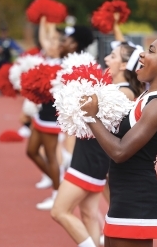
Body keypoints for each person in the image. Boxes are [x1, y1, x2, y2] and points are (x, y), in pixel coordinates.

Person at [80, 34, 157, 247]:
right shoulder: (145, 97)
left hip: (137, 200)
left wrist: (91, 117)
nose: (141, 53)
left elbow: (120, 152)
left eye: (151, 51)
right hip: (122, 197)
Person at [51, 19, 144, 247]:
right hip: (88, 155)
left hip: (92, 159)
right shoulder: (113, 85)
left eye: (112, 57)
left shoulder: (125, 92)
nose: (106, 59)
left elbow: (90, 108)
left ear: (124, 65)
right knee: (89, 213)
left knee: (59, 211)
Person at [26, 16, 94, 210]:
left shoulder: (71, 64)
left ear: (76, 45)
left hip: (52, 115)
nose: (63, 42)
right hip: (42, 112)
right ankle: (60, 182)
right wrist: (45, 21)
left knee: (51, 155)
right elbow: (47, 41)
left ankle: (58, 193)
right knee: (31, 151)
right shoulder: (59, 56)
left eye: (68, 41)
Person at [0, 25, 23, 93]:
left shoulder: (9, 41)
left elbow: (18, 48)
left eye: (5, 32)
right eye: (2, 32)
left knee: (7, 75)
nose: (3, 34)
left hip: (6, 61)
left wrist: (21, 53)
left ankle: (6, 87)